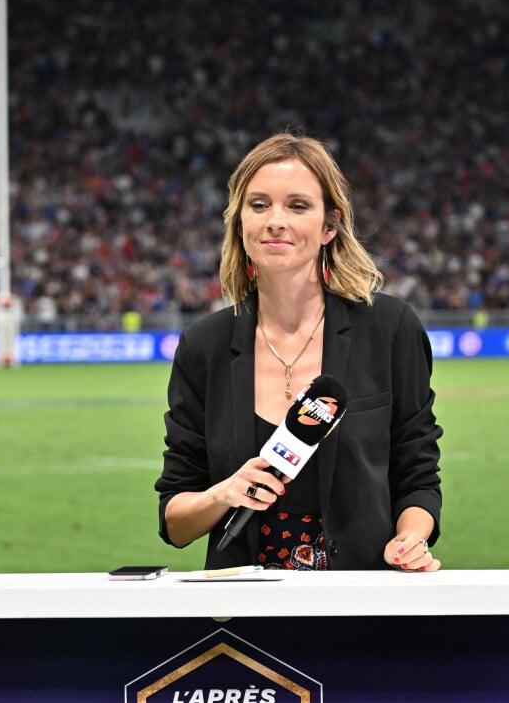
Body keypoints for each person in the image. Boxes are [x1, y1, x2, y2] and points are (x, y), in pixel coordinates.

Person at [155, 132, 442, 572]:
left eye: (298, 205)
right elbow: (175, 523)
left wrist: (410, 538)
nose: (275, 220)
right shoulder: (203, 346)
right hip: (244, 617)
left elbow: (417, 475)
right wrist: (223, 492)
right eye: (259, 205)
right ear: (239, 223)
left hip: (360, 603)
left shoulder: (390, 328)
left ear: (330, 225)